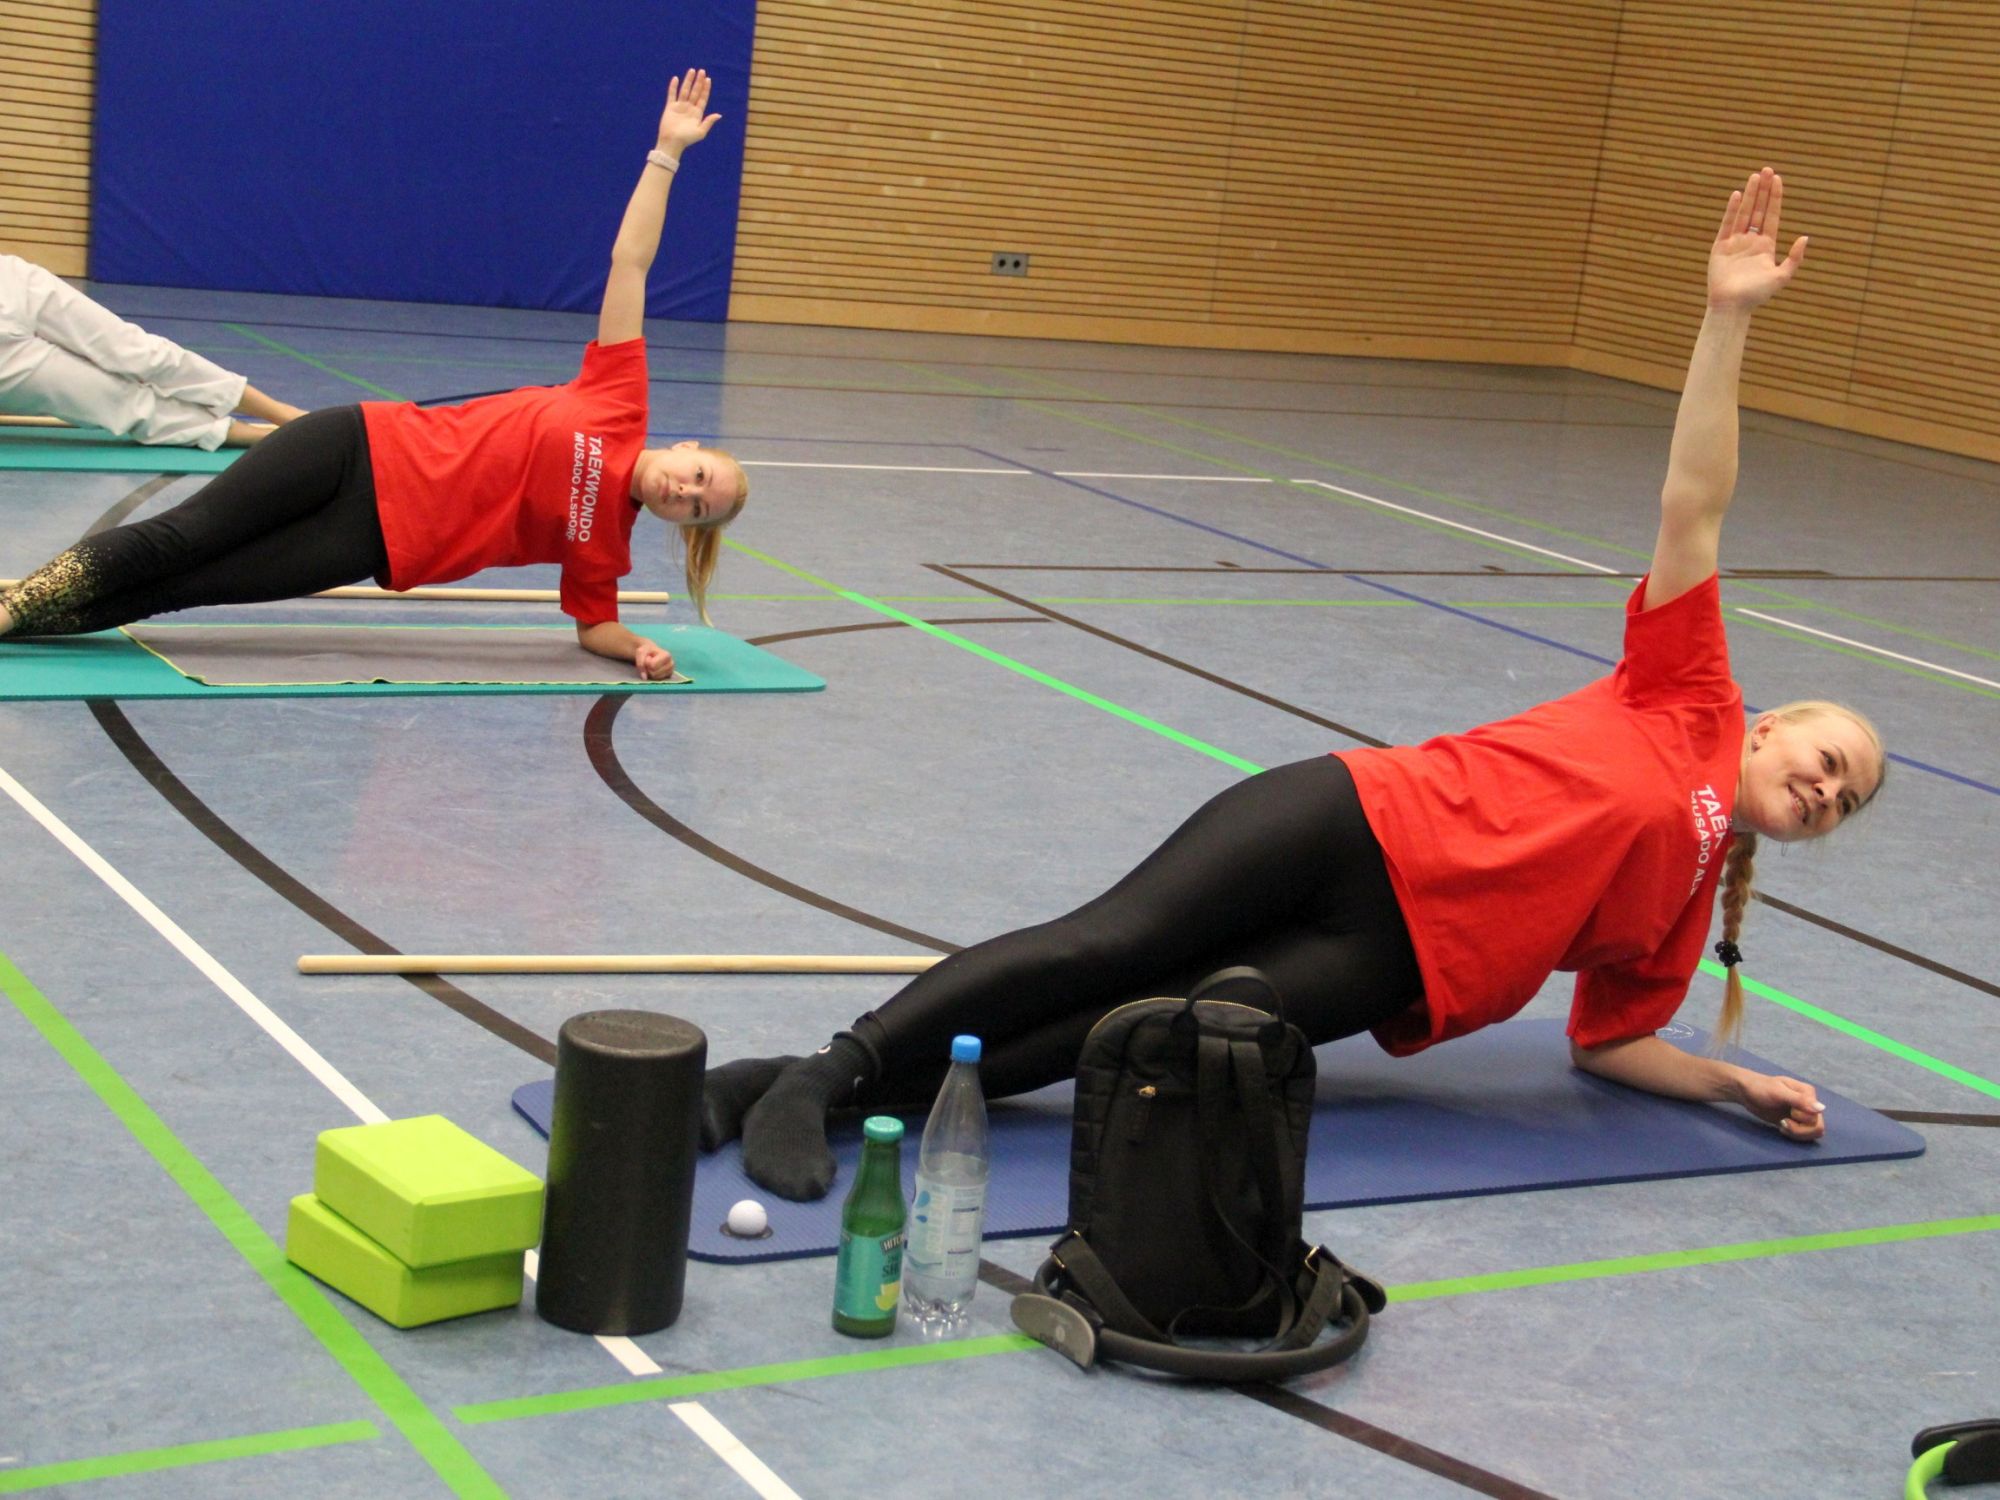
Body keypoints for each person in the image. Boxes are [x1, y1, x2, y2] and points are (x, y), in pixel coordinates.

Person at [702, 168, 1888, 1202]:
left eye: (1840, 804)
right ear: (1771, 726)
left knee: (1133, 1031)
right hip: (1358, 821)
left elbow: (1607, 1044)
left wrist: (1732, 1083)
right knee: (1101, 948)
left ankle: (794, 1090)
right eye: (1827, 761)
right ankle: (833, 1069)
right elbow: (1694, 500)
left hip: (1392, 963)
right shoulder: (1689, 695)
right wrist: (1723, 322)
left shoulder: (1687, 905)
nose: (1823, 792)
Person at [0, 69, 747, 681]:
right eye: (699, 478)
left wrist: (637, 648)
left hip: (370, 542)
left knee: (182, 589)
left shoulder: (606, 546)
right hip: (359, 447)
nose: (684, 493)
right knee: (180, 538)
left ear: (684, 528)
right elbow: (630, 263)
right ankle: (9, 611)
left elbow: (594, 626)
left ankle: (17, 621)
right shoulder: (619, 399)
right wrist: (666, 154)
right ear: (688, 448)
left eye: (695, 509)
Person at [0, 253, 304, 447]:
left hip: (11, 284)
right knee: (118, 401)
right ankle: (268, 438)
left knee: (139, 351)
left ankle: (287, 415)